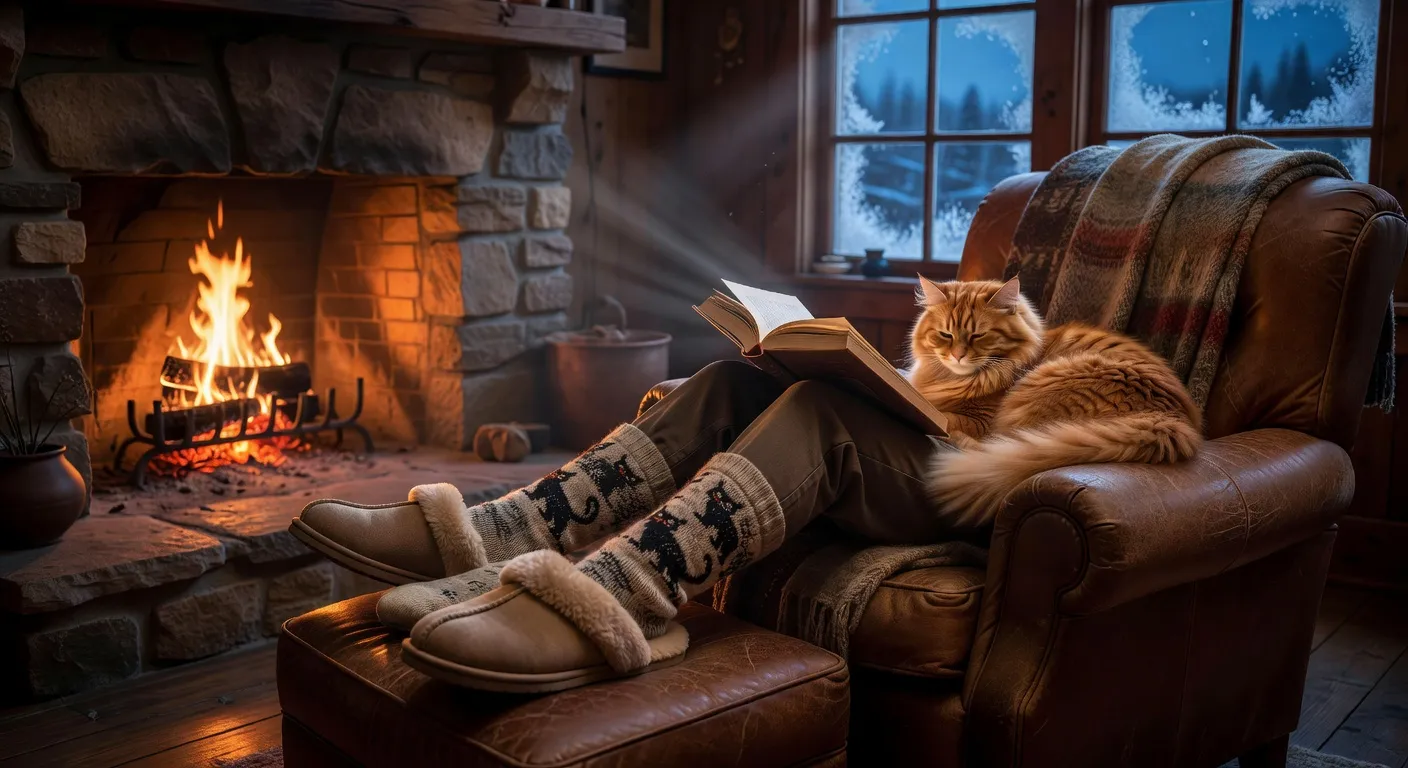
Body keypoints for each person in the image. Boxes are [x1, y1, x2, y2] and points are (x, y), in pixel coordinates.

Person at [292, 360, 953, 693]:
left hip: (982, 473)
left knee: (817, 414)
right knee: (731, 382)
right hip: (950, 434)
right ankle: (506, 533)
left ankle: (624, 595)